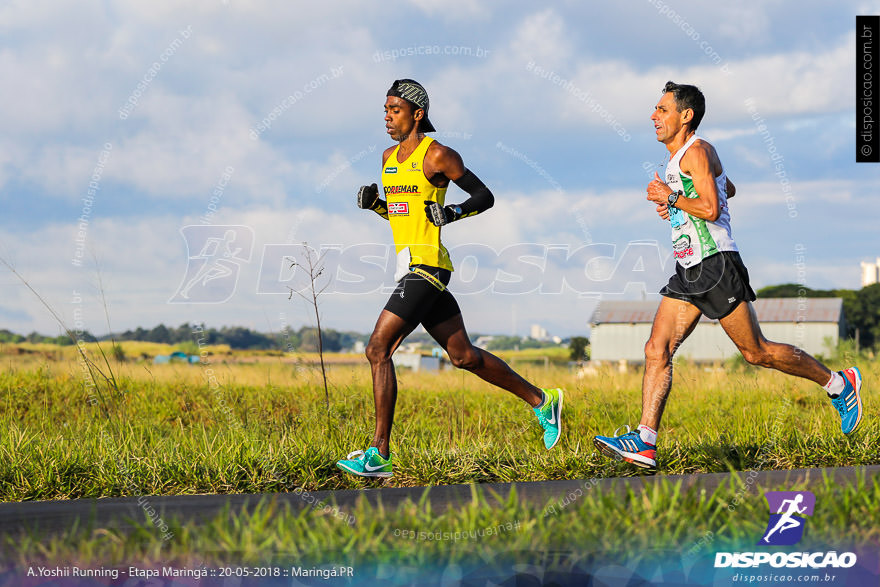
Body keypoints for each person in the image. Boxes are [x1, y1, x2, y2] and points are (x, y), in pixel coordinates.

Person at [593, 81, 863, 470]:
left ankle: (839, 384)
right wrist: (681, 201)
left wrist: (670, 198)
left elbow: (713, 208)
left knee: (756, 352)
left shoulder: (697, 151)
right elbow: (727, 188)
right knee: (657, 349)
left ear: (686, 116)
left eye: (662, 109)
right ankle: (645, 442)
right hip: (689, 267)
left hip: (716, 265)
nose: (654, 116)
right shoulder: (685, 158)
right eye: (655, 110)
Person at [336, 79, 563, 478]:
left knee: (377, 349)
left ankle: (379, 453)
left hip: (428, 267)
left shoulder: (438, 155)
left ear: (417, 114)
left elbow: (484, 196)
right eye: (385, 110)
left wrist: (455, 213)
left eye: (395, 110)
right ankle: (543, 401)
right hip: (409, 265)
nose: (388, 117)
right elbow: (404, 212)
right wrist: (376, 206)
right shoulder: (388, 158)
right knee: (463, 356)